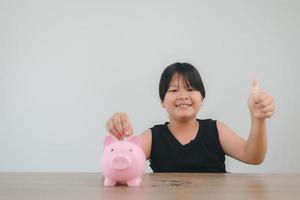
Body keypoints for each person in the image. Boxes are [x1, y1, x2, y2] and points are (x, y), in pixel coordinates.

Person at [105, 62, 275, 172]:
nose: (183, 95)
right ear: (162, 101)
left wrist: (258, 119)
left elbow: (253, 156)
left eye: (191, 89)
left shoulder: (216, 130)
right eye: (173, 90)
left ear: (202, 98)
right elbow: (119, 168)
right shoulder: (153, 137)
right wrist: (119, 137)